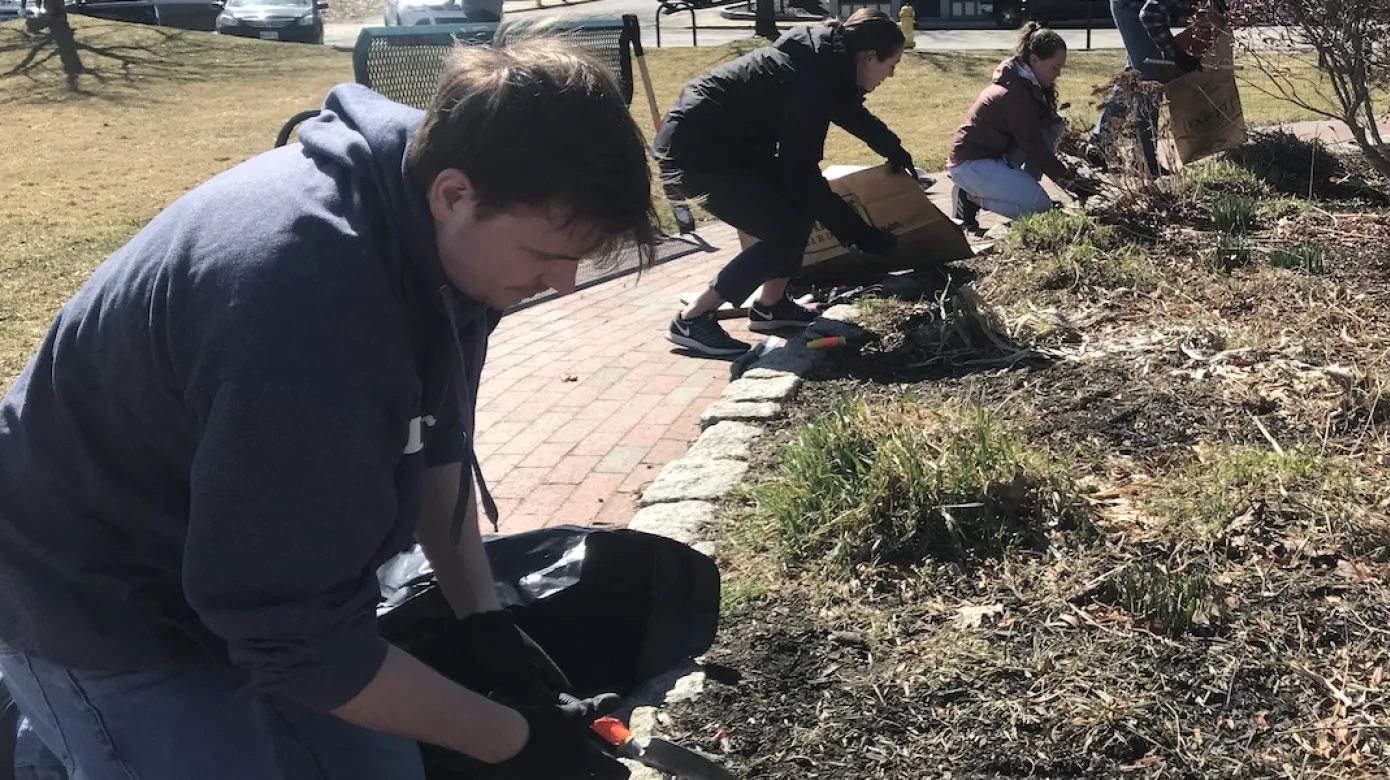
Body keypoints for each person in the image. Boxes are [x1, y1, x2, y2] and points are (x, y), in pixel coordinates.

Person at [0, 25, 658, 780]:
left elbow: (435, 437)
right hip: (97, 595)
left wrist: (485, 619)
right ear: (454, 195)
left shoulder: (450, 220)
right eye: (548, 256)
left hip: (252, 570)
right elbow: (294, 638)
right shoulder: (309, 311)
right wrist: (513, 739)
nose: (564, 283)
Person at [655, 8, 914, 357]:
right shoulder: (810, 80)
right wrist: (863, 236)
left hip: (731, 146)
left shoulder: (825, 64)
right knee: (782, 229)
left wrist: (893, 149)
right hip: (698, 152)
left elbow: (848, 111)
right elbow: (801, 175)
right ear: (869, 58)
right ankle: (692, 318)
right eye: (892, 65)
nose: (893, 75)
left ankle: (771, 307)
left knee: (795, 214)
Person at [946, 22, 1096, 229]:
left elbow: (1052, 133)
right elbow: (1035, 149)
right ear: (1034, 60)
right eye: (1055, 67)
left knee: (1054, 125)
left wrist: (1086, 154)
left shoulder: (1029, 84)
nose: (1059, 74)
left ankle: (1024, 190)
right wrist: (1075, 186)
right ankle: (970, 198)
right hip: (971, 164)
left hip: (997, 155)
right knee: (1041, 207)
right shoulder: (1015, 94)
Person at [1084, 0, 1205, 177]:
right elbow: (1150, 15)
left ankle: (1100, 143)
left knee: (1133, 76)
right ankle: (1144, 160)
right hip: (1130, 6)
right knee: (1150, 81)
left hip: (1140, 6)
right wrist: (1177, 55)